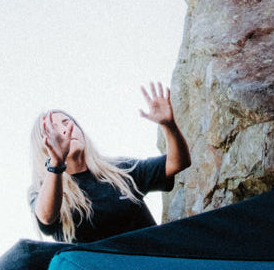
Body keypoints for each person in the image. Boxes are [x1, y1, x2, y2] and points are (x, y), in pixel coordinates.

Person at [29, 82, 192, 243]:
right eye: (53, 130)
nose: (65, 130)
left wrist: (168, 126)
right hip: (97, 261)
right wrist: (57, 163)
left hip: (147, 256)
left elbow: (177, 163)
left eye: (66, 122)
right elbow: (46, 217)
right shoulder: (43, 191)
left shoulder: (120, 170)